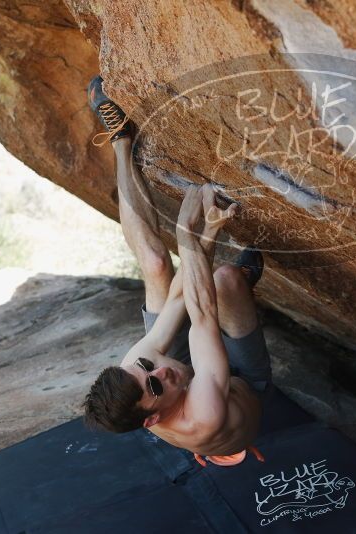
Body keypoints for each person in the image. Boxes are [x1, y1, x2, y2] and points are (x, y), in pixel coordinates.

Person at [82, 75, 270, 466]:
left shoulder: (137, 372)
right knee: (222, 282)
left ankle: (120, 141)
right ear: (152, 418)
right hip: (235, 384)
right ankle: (238, 293)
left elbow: (181, 299)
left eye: (146, 366)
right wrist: (196, 230)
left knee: (153, 265)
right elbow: (201, 318)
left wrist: (203, 233)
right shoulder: (203, 417)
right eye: (154, 383)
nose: (159, 371)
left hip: (200, 374)